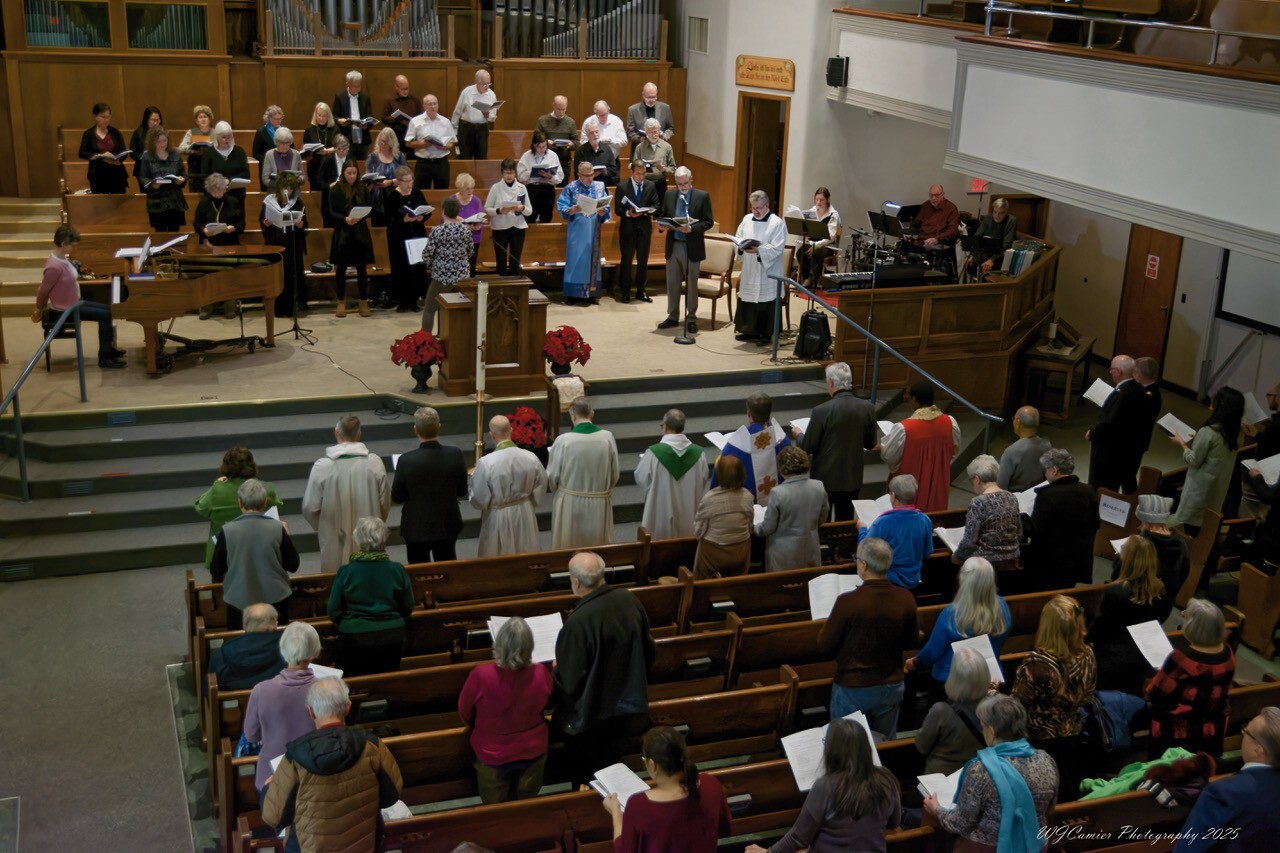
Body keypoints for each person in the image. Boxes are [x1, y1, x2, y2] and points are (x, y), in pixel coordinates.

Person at [261, 678, 403, 852]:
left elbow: (274, 817)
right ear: (348, 707)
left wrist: (268, 789)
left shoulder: (294, 758)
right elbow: (391, 795)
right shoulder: (372, 746)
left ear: (310, 712)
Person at [554, 551, 655, 787]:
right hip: (626, 706)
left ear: (576, 582)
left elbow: (569, 681)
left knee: (587, 776)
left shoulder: (578, 622)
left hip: (590, 717)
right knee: (613, 767)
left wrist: (558, 668)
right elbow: (648, 649)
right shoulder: (629, 600)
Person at [924, 695, 1059, 853]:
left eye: (982, 726)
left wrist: (936, 809)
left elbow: (959, 824)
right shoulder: (1046, 760)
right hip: (1035, 845)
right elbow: (1050, 807)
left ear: (992, 731)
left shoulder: (980, 770)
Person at [745, 718, 900, 853]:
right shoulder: (886, 777)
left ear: (831, 751)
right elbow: (895, 821)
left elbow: (799, 838)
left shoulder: (826, 786)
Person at [819, 537, 919, 737]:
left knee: (846, 743)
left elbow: (824, 646)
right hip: (891, 683)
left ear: (863, 565)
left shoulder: (847, 602)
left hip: (853, 686)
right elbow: (912, 641)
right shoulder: (905, 597)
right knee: (886, 743)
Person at [457, 616, 555, 804]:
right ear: (530, 646)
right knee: (526, 806)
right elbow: (548, 703)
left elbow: (464, 712)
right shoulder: (541, 673)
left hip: (492, 753)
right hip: (533, 750)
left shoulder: (481, 675)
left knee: (496, 810)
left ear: (498, 644)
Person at [1011, 594, 1096, 797]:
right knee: (1063, 780)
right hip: (1071, 730)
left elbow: (1016, 708)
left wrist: (992, 690)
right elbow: (1088, 695)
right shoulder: (1087, 653)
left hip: (1037, 740)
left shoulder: (1035, 666)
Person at [605, 726, 731, 852]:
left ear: (651, 764)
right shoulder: (711, 783)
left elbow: (625, 849)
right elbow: (723, 828)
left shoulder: (639, 805)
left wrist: (616, 812)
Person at [1175, 706, 1280, 852]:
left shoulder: (1222, 792)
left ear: (1259, 748)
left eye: (1246, 732)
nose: (1243, 736)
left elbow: (1188, 849)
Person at [1146, 597, 1235, 758]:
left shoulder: (1181, 658)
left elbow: (1156, 694)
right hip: (1211, 730)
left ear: (1194, 626)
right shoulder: (1228, 652)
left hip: (1177, 734)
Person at [301, 415, 391, 573]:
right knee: (369, 577)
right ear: (359, 435)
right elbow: (384, 502)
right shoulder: (374, 463)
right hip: (368, 536)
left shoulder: (322, 466)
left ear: (336, 432)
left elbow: (310, 507)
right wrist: (376, 520)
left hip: (334, 535)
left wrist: (324, 525)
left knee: (336, 578)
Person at [328, 517, 414, 676]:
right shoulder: (397, 570)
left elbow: (334, 612)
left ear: (358, 539)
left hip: (354, 637)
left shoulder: (347, 572)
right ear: (384, 539)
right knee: (390, 677)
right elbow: (408, 607)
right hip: (392, 636)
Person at [210, 478, 300, 628]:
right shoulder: (278, 528)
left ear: (239, 503)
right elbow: (293, 565)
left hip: (239, 603)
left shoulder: (227, 531)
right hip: (275, 599)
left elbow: (216, 570)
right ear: (264, 502)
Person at [32, 225, 126, 369]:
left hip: (75, 303)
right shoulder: (53, 267)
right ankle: (105, 359)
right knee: (105, 316)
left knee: (109, 309)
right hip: (65, 311)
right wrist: (39, 309)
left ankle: (108, 349)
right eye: (73, 246)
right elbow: (43, 291)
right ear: (64, 244)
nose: (74, 248)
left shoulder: (64, 259)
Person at [241, 621, 320, 792]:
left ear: (283, 651)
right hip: (316, 771)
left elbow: (251, 736)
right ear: (316, 651)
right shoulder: (325, 688)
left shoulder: (261, 690)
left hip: (272, 775)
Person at [794, 362, 878, 520]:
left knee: (821, 521)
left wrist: (798, 434)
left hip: (825, 478)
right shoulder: (868, 408)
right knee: (845, 522)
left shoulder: (821, 410)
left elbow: (807, 447)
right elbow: (870, 443)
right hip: (852, 476)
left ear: (831, 382)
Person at [908, 557, 1011, 685]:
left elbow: (932, 653)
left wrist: (916, 663)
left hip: (953, 679)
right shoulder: (1002, 605)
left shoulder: (952, 613)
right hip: (989, 674)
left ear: (963, 581)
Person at [1091, 535, 1170, 694]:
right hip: (1143, 660)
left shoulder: (1115, 592)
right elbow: (1162, 617)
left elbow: (1099, 630)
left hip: (1112, 661)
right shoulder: (1161, 591)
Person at [392, 406, 467, 563]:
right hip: (447, 523)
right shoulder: (455, 454)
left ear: (415, 429)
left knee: (419, 573)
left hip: (416, 526)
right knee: (447, 569)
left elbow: (398, 496)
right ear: (439, 428)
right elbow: (461, 491)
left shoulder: (406, 460)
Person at [1168, 386, 1245, 533]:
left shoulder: (1209, 431)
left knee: (1191, 532)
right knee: (1204, 530)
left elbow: (1194, 460)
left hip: (1198, 493)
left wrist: (1183, 444)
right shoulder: (1231, 433)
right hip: (1215, 494)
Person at [470, 415, 548, 557]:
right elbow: (541, 484)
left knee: (499, 556)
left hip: (498, 516)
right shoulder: (530, 457)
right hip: (524, 512)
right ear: (511, 430)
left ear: (491, 435)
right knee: (526, 551)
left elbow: (479, 498)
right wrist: (529, 501)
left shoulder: (487, 463)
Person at [548, 396, 620, 549]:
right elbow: (615, 474)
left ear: (573, 415)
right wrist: (602, 490)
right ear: (592, 414)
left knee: (570, 546)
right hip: (599, 500)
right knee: (596, 547)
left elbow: (553, 476)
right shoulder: (607, 437)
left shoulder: (563, 440)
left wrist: (562, 493)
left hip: (570, 502)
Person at [194, 446, 282, 569]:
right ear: (252, 465)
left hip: (224, 557)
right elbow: (277, 505)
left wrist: (216, 484)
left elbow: (200, 507)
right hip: (260, 552)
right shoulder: (266, 489)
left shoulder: (217, 490)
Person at [880, 382, 961, 513]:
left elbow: (889, 456)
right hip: (937, 481)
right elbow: (953, 450)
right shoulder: (950, 422)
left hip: (911, 484)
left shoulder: (904, 428)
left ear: (914, 399)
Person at [1024, 448, 1097, 588]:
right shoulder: (1088, 491)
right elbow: (1096, 523)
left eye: (1045, 470)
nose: (1045, 474)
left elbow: (1037, 529)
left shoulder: (1047, 495)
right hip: (1077, 559)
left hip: (1051, 562)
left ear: (1054, 470)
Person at [914, 648, 993, 776]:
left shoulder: (941, 710)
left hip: (941, 777)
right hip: (976, 775)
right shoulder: (994, 706)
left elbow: (921, 746)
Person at [635, 408, 710, 540]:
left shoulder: (653, 453)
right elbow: (704, 479)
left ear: (666, 426)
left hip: (661, 513)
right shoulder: (699, 454)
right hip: (689, 514)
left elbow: (641, 478)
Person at [658, 166, 714, 335]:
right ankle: (673, 316)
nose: (682, 187)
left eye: (685, 183)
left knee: (691, 283)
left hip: (692, 246)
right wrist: (662, 226)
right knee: (673, 282)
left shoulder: (702, 196)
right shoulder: (669, 195)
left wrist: (692, 229)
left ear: (691, 179)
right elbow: (663, 215)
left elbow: (708, 221)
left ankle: (691, 318)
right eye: (679, 184)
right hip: (674, 244)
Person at [755, 446, 829, 572]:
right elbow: (822, 518)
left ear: (782, 469)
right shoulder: (818, 486)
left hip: (784, 556)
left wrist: (755, 527)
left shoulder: (778, 493)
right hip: (810, 549)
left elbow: (768, 527)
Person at [856, 475, 934, 589]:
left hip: (889, 581)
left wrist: (862, 529)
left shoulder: (883, 522)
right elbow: (927, 552)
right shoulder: (924, 520)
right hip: (914, 580)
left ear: (893, 496)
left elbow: (865, 552)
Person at [732, 190, 789, 345]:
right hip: (750, 268)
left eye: (758, 208)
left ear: (767, 205)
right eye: (753, 208)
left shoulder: (777, 223)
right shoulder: (747, 219)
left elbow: (777, 249)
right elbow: (738, 236)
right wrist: (740, 246)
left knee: (766, 302)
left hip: (767, 270)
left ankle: (765, 333)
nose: (755, 211)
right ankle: (749, 330)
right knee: (749, 299)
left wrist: (759, 250)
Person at [716, 391, 791, 505]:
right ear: (769, 413)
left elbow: (721, 478)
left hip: (745, 507)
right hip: (779, 504)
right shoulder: (782, 440)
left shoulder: (734, 447)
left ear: (749, 414)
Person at [1112, 494, 1189, 601]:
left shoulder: (1139, 545)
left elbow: (1118, 575)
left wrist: (1120, 554)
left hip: (1137, 602)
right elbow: (1184, 574)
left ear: (1145, 520)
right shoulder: (1182, 543)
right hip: (1164, 603)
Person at [1086, 354, 1145, 492]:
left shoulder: (1121, 394)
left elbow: (1108, 424)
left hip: (1108, 455)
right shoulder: (1139, 389)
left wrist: (1093, 433)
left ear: (1118, 371)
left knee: (1101, 488)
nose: (1110, 372)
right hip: (1126, 450)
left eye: (1111, 369)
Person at [557, 161, 612, 305]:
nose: (590, 178)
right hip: (577, 230)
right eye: (586, 175)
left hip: (594, 229)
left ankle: (592, 293)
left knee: (592, 260)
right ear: (579, 175)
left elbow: (606, 207)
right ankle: (573, 295)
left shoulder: (600, 186)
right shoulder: (571, 187)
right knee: (576, 260)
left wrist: (603, 211)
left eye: (592, 175)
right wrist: (572, 210)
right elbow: (562, 207)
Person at [953, 455, 1021, 570]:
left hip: (986, 566)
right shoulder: (1012, 497)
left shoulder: (978, 503)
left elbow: (969, 543)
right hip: (1012, 561)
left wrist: (957, 557)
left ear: (977, 479)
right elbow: (1019, 533)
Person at [692, 455, 755, 579]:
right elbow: (750, 526)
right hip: (740, 551)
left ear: (719, 475)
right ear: (742, 474)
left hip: (714, 553)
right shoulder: (748, 496)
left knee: (703, 571)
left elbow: (699, 530)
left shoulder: (710, 498)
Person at [420, 196, 474, 333]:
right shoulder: (465, 230)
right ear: (458, 212)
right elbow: (470, 251)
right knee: (460, 310)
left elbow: (427, 255)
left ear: (443, 211)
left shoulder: (437, 231)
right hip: (462, 277)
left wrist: (433, 264)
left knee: (429, 309)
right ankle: (460, 340)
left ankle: (425, 341)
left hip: (441, 277)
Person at [328, 159, 375, 318]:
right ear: (343, 173)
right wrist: (344, 218)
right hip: (343, 232)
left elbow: (370, 209)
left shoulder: (362, 188)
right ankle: (341, 302)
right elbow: (332, 211)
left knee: (362, 269)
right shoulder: (336, 189)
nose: (352, 176)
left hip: (360, 231)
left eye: (354, 173)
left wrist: (360, 217)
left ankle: (363, 301)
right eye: (349, 173)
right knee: (341, 269)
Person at [259, 171, 308, 318]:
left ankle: (293, 305)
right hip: (275, 242)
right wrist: (265, 223)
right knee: (278, 275)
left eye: (291, 188)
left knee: (292, 274)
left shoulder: (297, 202)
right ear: (279, 188)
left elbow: (305, 223)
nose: (288, 191)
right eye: (285, 188)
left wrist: (300, 224)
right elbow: (262, 219)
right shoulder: (269, 201)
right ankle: (278, 307)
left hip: (292, 243)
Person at [612, 159, 662, 304]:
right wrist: (629, 213)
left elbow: (656, 205)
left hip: (644, 227)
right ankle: (625, 291)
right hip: (628, 228)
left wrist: (647, 211)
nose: (641, 177)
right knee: (627, 260)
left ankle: (641, 290)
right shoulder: (622, 187)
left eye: (643, 174)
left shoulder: (650, 185)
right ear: (632, 172)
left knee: (643, 261)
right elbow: (618, 209)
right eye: (638, 174)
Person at [383, 165, 429, 313]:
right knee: (401, 267)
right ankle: (403, 301)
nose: (410, 184)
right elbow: (388, 219)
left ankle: (415, 300)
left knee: (416, 267)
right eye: (406, 181)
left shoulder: (417, 193)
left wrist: (422, 216)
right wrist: (403, 220)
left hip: (416, 234)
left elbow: (427, 210)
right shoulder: (392, 196)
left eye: (411, 180)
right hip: (399, 237)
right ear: (399, 181)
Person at [209, 603, 285, 691]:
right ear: (275, 625)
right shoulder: (291, 651)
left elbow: (210, 692)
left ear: (244, 625)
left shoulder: (219, 656)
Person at [1240, 379, 1280, 522]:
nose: (1267, 398)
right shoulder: (1274, 426)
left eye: (1269, 395)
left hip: (1265, 480)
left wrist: (1255, 476)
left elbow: (1266, 452)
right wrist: (1257, 435)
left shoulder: (1275, 426)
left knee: (1251, 518)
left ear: (1278, 397)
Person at [137, 126, 187, 232]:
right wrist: (152, 184)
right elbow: (143, 177)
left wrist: (181, 180)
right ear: (152, 141)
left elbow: (183, 173)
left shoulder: (175, 154)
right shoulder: (147, 156)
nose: (162, 144)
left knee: (175, 235)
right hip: (157, 202)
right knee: (160, 236)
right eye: (158, 141)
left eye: (164, 140)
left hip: (174, 200)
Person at [485, 158, 529, 276]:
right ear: (502, 172)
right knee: (501, 262)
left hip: (518, 228)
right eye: (506, 172)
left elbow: (529, 211)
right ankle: (502, 291)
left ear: (515, 173)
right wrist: (500, 210)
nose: (509, 176)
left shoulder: (521, 188)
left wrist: (522, 208)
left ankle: (514, 291)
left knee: (515, 261)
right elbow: (487, 209)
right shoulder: (496, 187)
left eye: (512, 172)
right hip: (500, 228)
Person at [404, 93, 455, 191]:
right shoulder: (415, 121)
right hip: (423, 162)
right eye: (430, 104)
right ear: (424, 106)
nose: (433, 106)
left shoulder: (445, 122)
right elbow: (408, 142)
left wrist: (444, 146)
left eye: (435, 104)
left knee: (442, 192)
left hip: (441, 162)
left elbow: (452, 143)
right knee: (421, 192)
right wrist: (421, 144)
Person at [996, 406, 1052, 493]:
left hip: (1016, 499)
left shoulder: (1011, 452)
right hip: (1039, 495)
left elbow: (1001, 486)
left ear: (1017, 422)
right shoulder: (1047, 446)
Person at [79, 103, 129, 194]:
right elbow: (82, 153)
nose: (106, 120)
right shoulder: (88, 134)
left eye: (108, 117)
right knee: (101, 203)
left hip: (116, 172)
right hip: (98, 174)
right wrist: (100, 155)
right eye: (103, 117)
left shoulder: (116, 132)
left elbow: (123, 151)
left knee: (118, 202)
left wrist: (118, 160)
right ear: (95, 117)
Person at [794, 187, 841, 282]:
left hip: (827, 246)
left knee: (815, 252)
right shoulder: (812, 211)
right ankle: (807, 277)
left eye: (821, 200)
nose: (818, 202)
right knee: (800, 252)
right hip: (812, 242)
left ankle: (815, 280)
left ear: (827, 200)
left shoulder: (833, 215)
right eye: (817, 199)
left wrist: (816, 245)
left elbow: (831, 237)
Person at [363, 126, 406, 228]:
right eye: (381, 141)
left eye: (386, 142)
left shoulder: (399, 156)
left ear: (392, 142)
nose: (383, 144)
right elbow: (367, 178)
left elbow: (405, 178)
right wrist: (373, 182)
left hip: (396, 196)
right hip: (378, 198)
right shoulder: (373, 157)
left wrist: (390, 182)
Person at [200, 121, 250, 208]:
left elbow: (246, 173)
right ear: (217, 137)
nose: (227, 139)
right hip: (216, 196)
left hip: (237, 195)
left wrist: (230, 180)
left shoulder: (239, 151)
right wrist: (220, 183)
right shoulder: (209, 153)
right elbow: (205, 177)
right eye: (223, 137)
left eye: (229, 136)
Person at [452, 69, 500, 159]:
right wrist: (454, 131)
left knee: (481, 158)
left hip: (481, 129)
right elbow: (457, 112)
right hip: (466, 128)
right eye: (484, 84)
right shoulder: (467, 92)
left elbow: (493, 117)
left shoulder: (491, 94)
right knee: (465, 157)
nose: (487, 86)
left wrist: (488, 115)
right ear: (477, 82)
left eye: (489, 83)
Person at [517, 132, 564, 224]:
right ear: (534, 145)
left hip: (547, 188)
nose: (542, 149)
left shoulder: (552, 155)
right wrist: (532, 172)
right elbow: (520, 176)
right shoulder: (527, 156)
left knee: (546, 217)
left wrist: (550, 177)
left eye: (544, 146)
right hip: (532, 189)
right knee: (530, 217)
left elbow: (560, 177)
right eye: (539, 147)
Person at [966, 197, 1017, 275]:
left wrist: (992, 259)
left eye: (1001, 213)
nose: (997, 215)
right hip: (986, 251)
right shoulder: (988, 218)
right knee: (969, 260)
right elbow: (977, 237)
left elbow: (1007, 245)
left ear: (1006, 212)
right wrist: (972, 255)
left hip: (1000, 254)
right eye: (995, 212)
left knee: (982, 261)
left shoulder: (1011, 220)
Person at [193, 173, 245, 249]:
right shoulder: (204, 203)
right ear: (209, 190)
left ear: (224, 189)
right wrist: (204, 230)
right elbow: (197, 224)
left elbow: (241, 223)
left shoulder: (233, 201)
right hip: (209, 242)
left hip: (229, 242)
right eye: (214, 192)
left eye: (219, 191)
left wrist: (233, 228)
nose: (217, 194)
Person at [449, 172, 485, 277]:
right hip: (455, 241)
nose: (471, 191)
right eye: (467, 189)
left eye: (472, 188)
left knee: (470, 269)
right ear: (460, 188)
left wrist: (478, 226)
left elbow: (480, 219)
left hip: (473, 239)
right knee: (457, 270)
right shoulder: (451, 201)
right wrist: (461, 225)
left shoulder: (476, 201)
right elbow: (444, 221)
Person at [332, 70, 374, 160]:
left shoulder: (365, 98)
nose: (357, 89)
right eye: (354, 86)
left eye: (359, 86)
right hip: (347, 138)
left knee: (362, 165)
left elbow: (370, 116)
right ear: (347, 84)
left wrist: (366, 125)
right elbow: (334, 116)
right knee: (348, 164)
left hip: (363, 139)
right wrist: (339, 120)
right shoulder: (340, 97)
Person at [534, 96, 577, 183]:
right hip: (546, 159)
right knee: (546, 186)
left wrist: (571, 144)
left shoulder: (570, 122)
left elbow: (576, 142)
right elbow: (536, 138)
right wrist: (546, 142)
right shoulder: (543, 120)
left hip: (564, 161)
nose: (561, 112)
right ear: (553, 106)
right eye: (559, 109)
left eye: (564, 109)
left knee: (562, 186)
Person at [316, 133, 353, 229]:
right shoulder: (327, 160)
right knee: (330, 227)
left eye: (346, 149)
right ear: (335, 148)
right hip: (330, 200)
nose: (343, 152)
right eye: (340, 149)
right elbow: (319, 180)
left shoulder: (351, 159)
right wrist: (329, 185)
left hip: (347, 199)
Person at [626, 83, 676, 151]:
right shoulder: (633, 110)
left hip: (660, 149)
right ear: (643, 95)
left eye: (654, 97)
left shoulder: (665, 108)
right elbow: (630, 132)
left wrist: (664, 136)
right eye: (648, 97)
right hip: (640, 149)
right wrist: (639, 139)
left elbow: (671, 128)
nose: (651, 100)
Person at [177, 104, 215, 193]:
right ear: (196, 120)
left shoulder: (215, 132)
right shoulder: (191, 132)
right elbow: (181, 148)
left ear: (209, 119)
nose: (203, 119)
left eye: (205, 117)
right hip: (195, 170)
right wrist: (193, 151)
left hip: (211, 169)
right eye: (200, 117)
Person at [911, 183, 959, 250]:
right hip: (922, 239)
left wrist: (936, 239)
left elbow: (953, 231)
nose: (933, 198)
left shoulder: (951, 208)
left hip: (938, 242)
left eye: (937, 195)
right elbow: (916, 224)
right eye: (931, 195)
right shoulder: (926, 205)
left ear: (942, 194)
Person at [302, 101, 337, 189]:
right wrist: (317, 151)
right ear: (315, 115)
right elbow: (306, 149)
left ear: (328, 116)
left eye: (324, 116)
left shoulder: (335, 129)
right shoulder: (309, 130)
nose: (321, 118)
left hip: (331, 167)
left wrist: (329, 150)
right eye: (319, 115)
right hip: (314, 167)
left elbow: (340, 146)